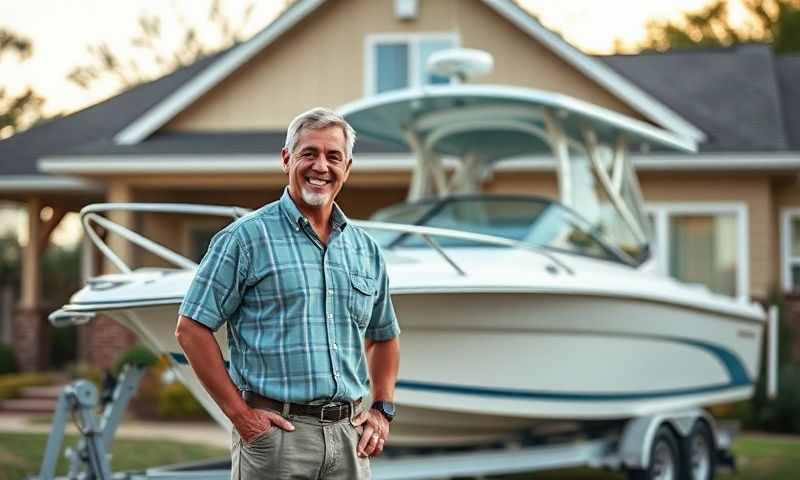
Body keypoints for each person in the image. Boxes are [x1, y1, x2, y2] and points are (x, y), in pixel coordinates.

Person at [175, 107, 401, 479]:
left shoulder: (366, 249)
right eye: (309, 153)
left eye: (333, 156)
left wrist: (382, 409)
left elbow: (384, 336)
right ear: (286, 159)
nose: (321, 166)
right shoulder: (244, 239)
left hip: (349, 439)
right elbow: (191, 329)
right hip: (276, 438)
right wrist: (242, 417)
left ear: (348, 167)